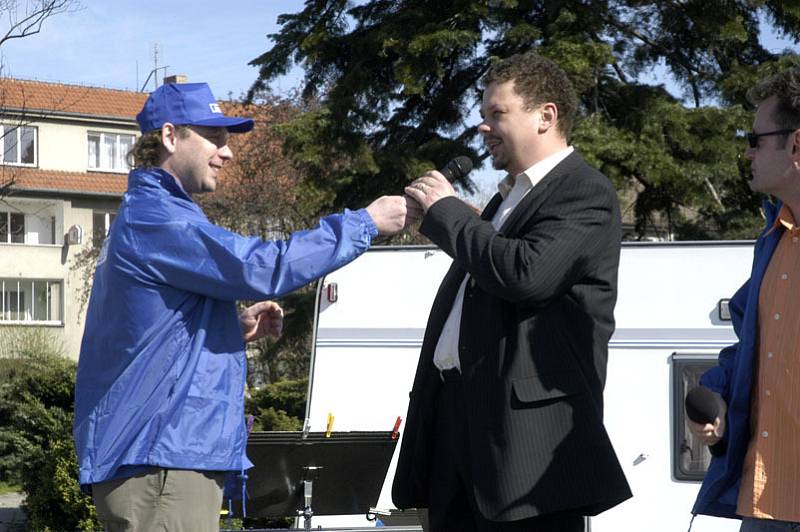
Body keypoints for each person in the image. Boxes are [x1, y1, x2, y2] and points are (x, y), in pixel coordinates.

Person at [73, 82, 418, 532]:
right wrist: (364, 223)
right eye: (214, 137)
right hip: (161, 459)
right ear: (171, 137)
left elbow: (149, 336)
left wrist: (229, 327)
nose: (227, 152)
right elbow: (259, 267)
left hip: (164, 456)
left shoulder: (157, 215)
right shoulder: (160, 220)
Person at [391, 52, 632, 531]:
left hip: (527, 453)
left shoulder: (583, 191)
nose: (483, 128)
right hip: (458, 428)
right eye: (483, 116)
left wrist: (448, 212)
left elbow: (526, 274)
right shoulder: (506, 198)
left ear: (546, 115)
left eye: (496, 114)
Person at [689, 68, 800, 531]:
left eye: (756, 139)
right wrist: (714, 392)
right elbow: (749, 352)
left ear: (796, 145)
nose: (747, 151)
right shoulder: (771, 241)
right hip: (765, 506)